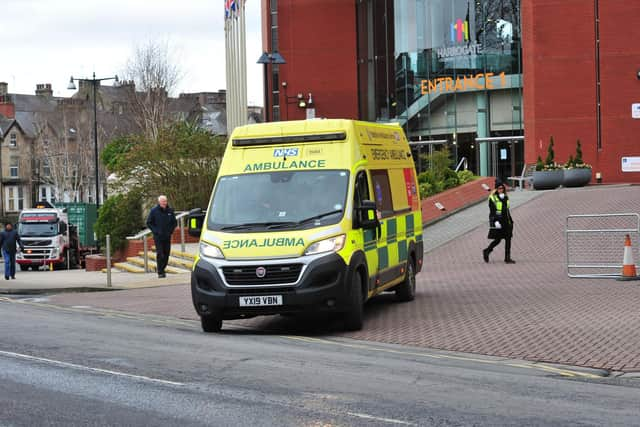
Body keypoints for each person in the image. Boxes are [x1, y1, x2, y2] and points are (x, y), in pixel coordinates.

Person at [482, 182, 516, 264]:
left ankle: (507, 258)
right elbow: (492, 211)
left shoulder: (505, 197)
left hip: (507, 221)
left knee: (508, 239)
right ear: (496, 189)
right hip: (498, 221)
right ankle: (487, 251)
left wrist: (510, 220)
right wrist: (496, 221)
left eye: (502, 188)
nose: (501, 190)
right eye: (499, 188)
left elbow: (507, 210)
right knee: (498, 240)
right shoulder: (493, 198)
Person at [146, 195, 177, 278]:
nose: (164, 203)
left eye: (165, 201)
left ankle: (162, 268)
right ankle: (160, 272)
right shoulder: (154, 211)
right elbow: (149, 223)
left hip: (167, 236)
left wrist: (170, 231)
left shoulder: (170, 211)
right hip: (158, 237)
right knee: (160, 253)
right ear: (159, 202)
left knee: (166, 253)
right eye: (163, 201)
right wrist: (156, 231)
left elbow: (174, 223)